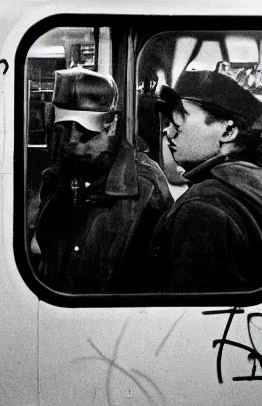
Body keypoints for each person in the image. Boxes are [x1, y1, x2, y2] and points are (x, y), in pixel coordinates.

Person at [33, 68, 172, 293]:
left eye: (86, 133)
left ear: (111, 123)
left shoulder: (144, 187)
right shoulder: (56, 180)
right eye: (65, 131)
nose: (74, 144)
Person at [147, 70, 262, 292]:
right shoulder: (248, 184)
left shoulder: (202, 209)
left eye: (181, 117)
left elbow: (193, 316)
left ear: (228, 131)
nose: (169, 132)